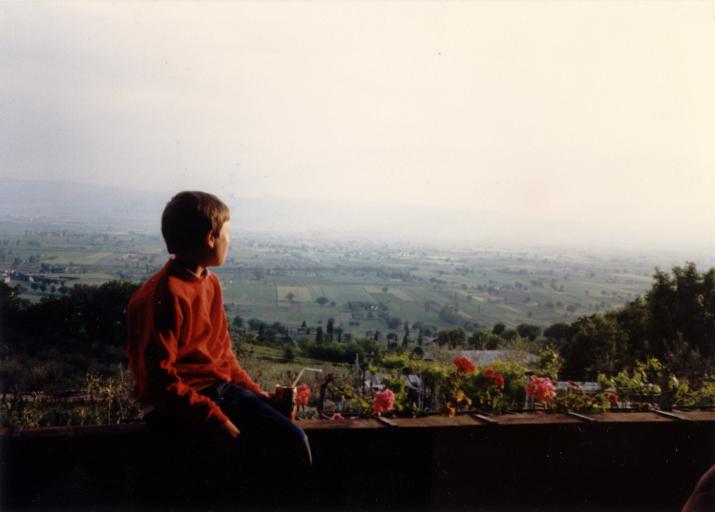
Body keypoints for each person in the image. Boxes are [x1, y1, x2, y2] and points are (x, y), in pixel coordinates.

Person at [126, 191, 311, 504]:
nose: (229, 241)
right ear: (210, 237)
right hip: (177, 406)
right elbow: (158, 383)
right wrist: (215, 418)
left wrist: (257, 393)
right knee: (276, 450)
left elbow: (222, 356)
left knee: (293, 441)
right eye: (227, 233)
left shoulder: (209, 283)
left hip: (215, 392)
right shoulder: (165, 294)